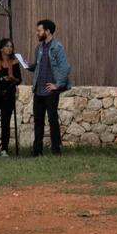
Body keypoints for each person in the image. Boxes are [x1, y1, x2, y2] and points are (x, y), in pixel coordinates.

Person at [28, 19, 70, 156]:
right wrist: (27, 65)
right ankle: (37, 152)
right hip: (38, 91)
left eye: (39, 31)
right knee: (38, 121)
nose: (37, 33)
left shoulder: (57, 47)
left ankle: (56, 151)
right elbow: (38, 67)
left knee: (52, 120)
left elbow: (65, 68)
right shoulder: (39, 48)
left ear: (47, 31)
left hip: (50, 92)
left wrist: (57, 85)